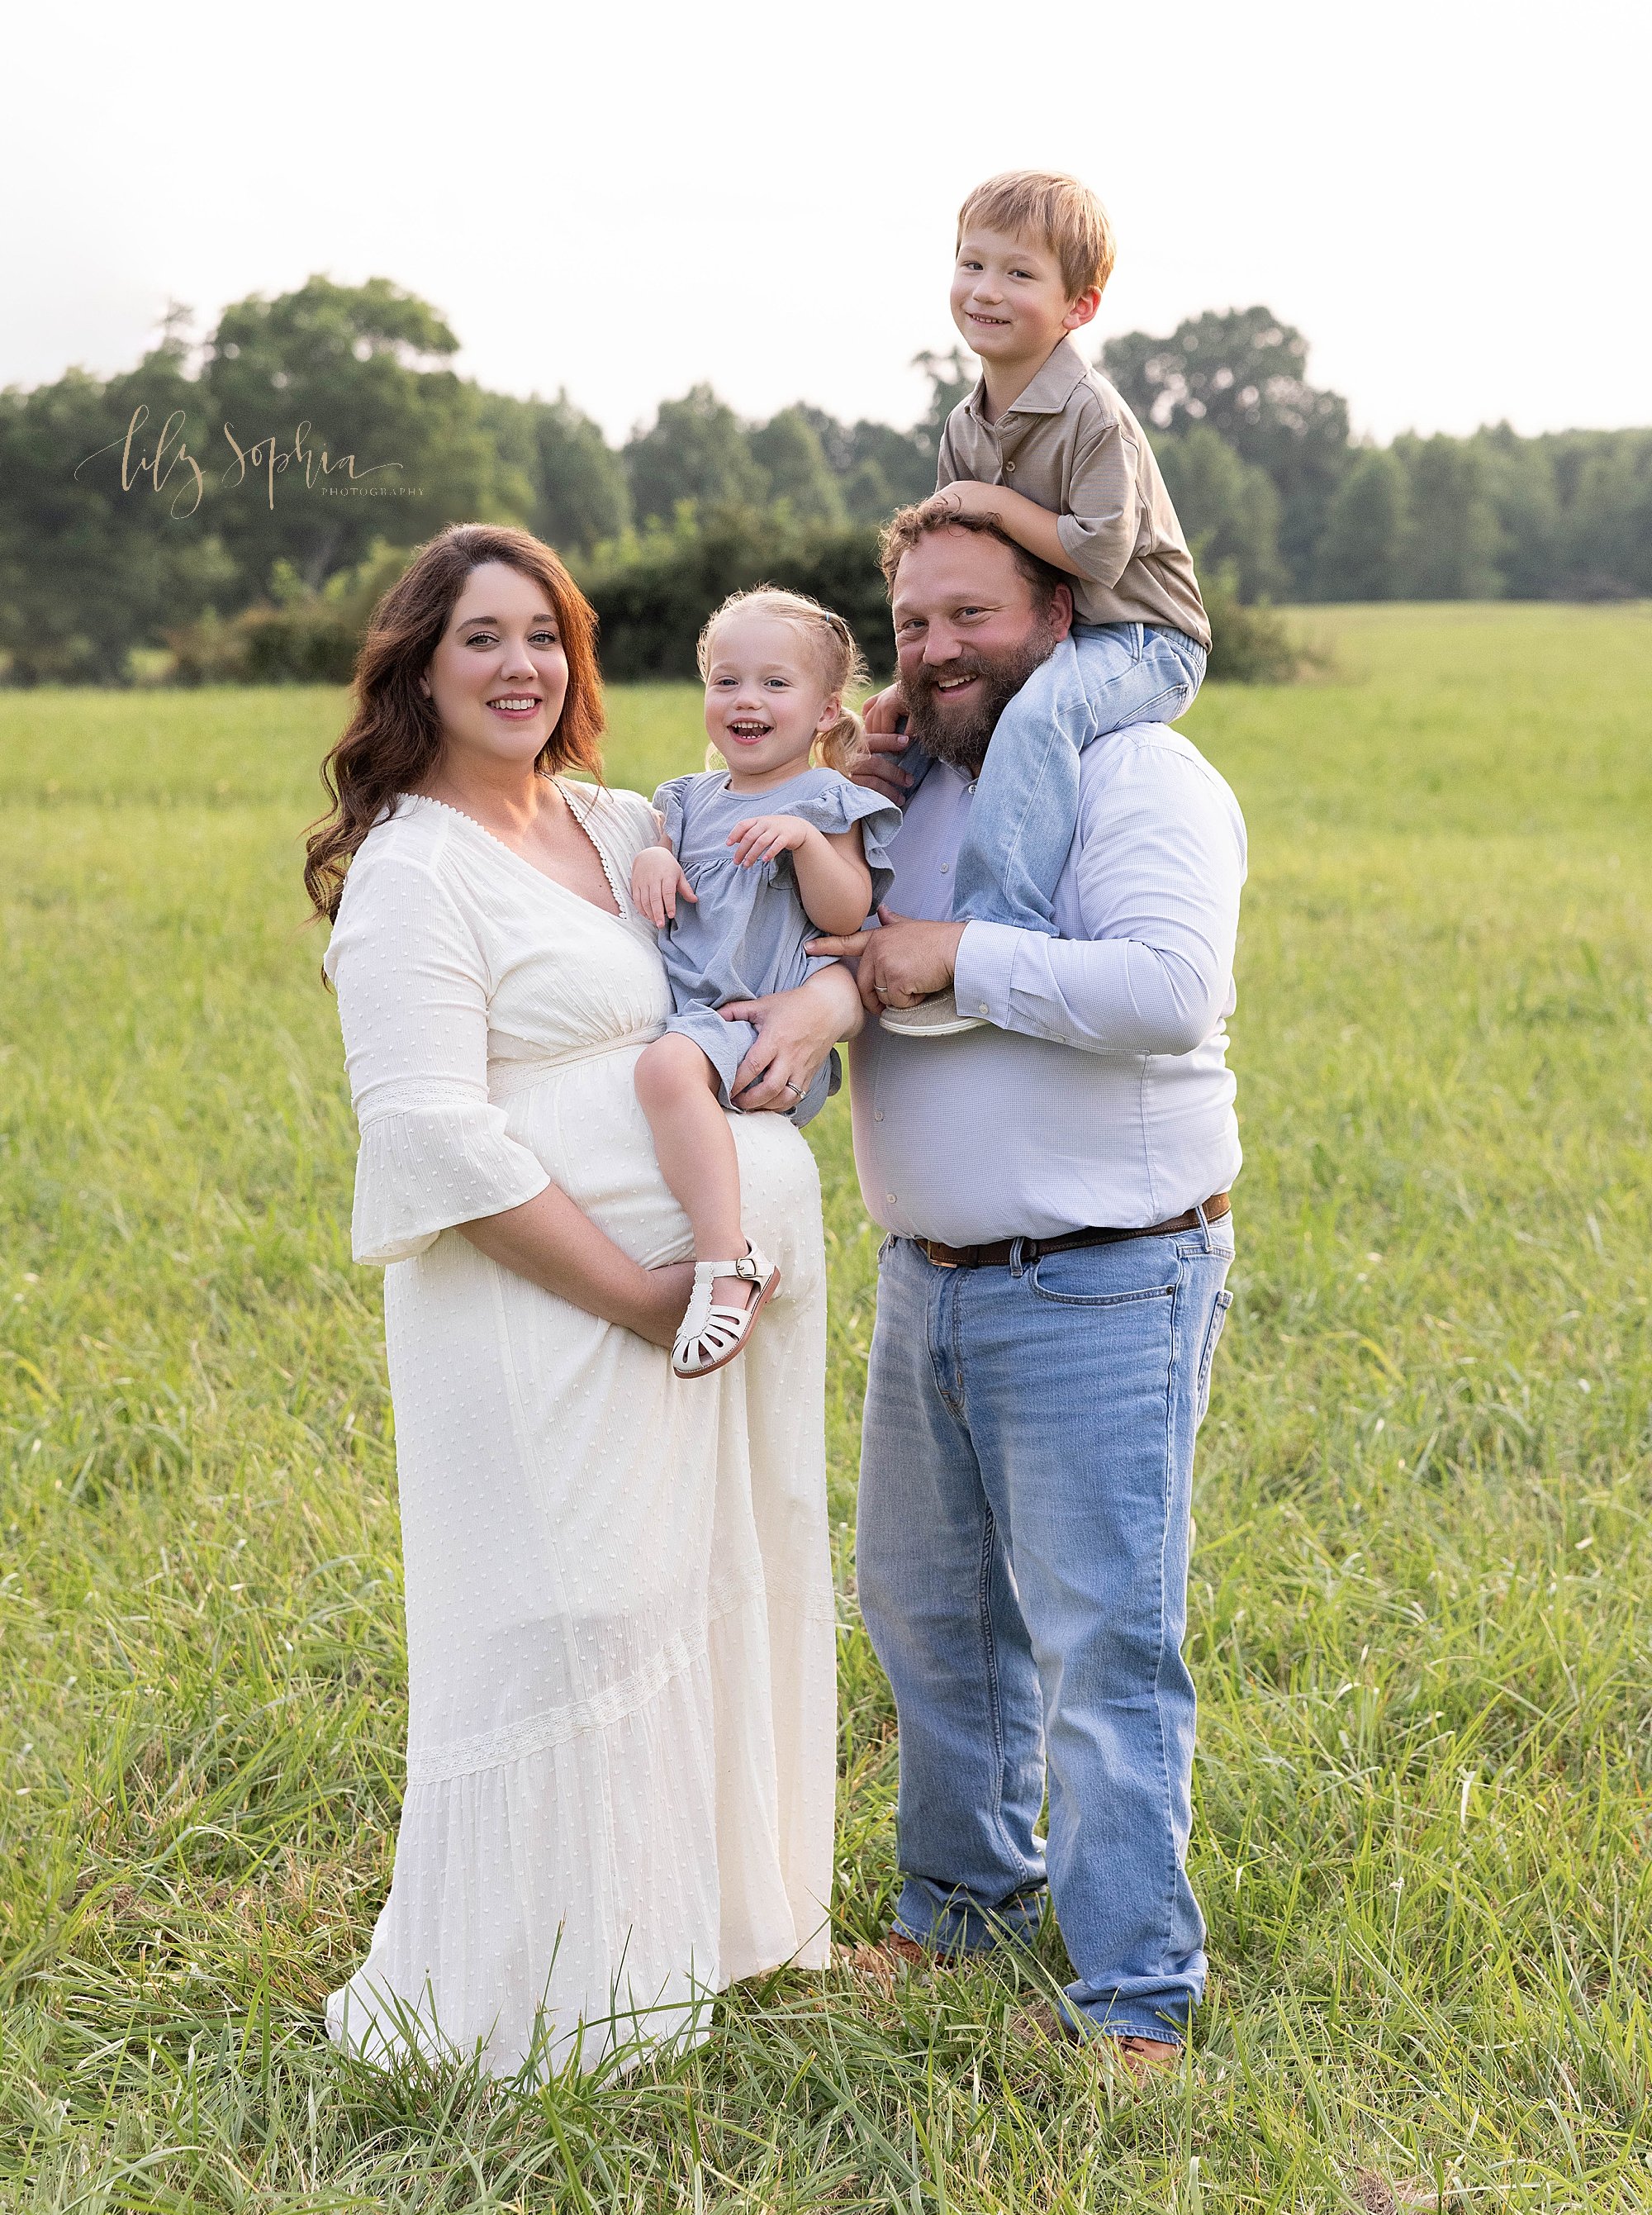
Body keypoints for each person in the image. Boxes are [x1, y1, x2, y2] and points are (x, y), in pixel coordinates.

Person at [303, 523, 859, 2078]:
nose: (519, 666)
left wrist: (820, 999)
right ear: (417, 662)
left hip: (696, 1312)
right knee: (568, 1613)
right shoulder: (416, 869)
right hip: (547, 1303)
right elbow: (429, 1133)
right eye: (481, 636)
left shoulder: (619, 826)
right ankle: (532, 2004)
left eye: (543, 634)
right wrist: (640, 1292)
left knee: (682, 1591)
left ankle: (680, 1948)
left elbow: (825, 904)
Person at [819, 502, 1246, 2077]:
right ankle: (961, 1905)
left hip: (1102, 1280)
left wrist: (960, 958)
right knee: (933, 1623)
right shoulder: (913, 788)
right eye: (914, 620)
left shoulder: (1138, 773)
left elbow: (1166, 986)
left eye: (971, 615)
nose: (937, 647)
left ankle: (1140, 1993)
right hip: (925, 1278)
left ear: (1060, 616)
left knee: (1097, 1645)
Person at [871, 169, 1213, 1037]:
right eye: (970, 264)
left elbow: (1098, 548)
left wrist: (992, 504)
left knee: (1038, 716)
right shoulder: (964, 422)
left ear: (1078, 306)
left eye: (1018, 274)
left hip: (1142, 635)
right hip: (1054, 628)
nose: (985, 290)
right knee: (903, 718)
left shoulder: (1093, 414)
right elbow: (953, 556)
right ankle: (849, 894)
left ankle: (992, 931)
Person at [629, 589, 900, 1378]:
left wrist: (808, 845)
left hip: (760, 1024)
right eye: (726, 680)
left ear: (823, 712)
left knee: (662, 1069)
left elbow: (850, 910)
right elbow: (658, 863)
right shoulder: (683, 800)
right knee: (659, 1070)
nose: (746, 700)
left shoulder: (824, 800)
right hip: (698, 1013)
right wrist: (653, 858)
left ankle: (726, 1264)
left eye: (775, 685)